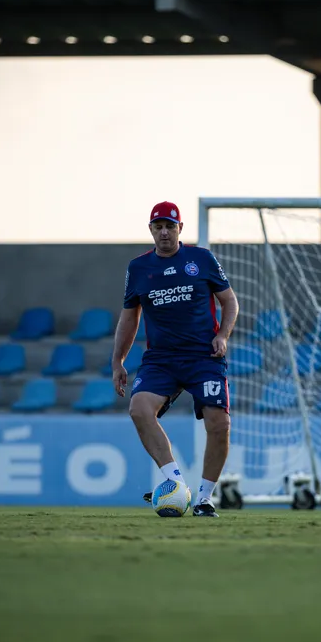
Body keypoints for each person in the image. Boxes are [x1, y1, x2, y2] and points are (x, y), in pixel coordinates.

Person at [113, 201, 240, 517]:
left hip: (203, 357)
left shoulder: (201, 259)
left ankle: (204, 498)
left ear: (180, 229)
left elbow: (230, 302)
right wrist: (118, 361)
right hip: (161, 359)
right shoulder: (139, 268)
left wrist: (222, 335)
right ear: (151, 230)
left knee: (219, 422)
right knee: (139, 409)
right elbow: (129, 317)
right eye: (159, 227)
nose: (165, 232)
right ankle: (175, 483)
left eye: (170, 226)